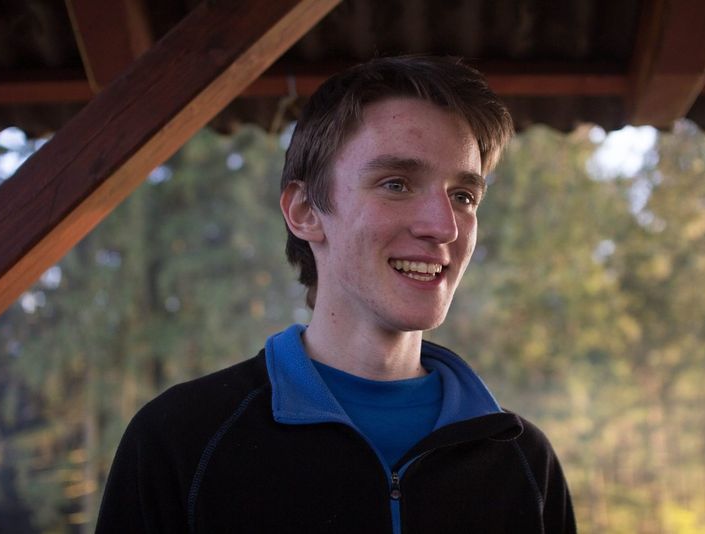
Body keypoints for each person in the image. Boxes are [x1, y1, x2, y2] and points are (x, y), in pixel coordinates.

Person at [96, 56, 576, 533]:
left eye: (463, 196)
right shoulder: (179, 443)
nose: (444, 227)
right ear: (305, 211)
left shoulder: (527, 464)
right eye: (396, 184)